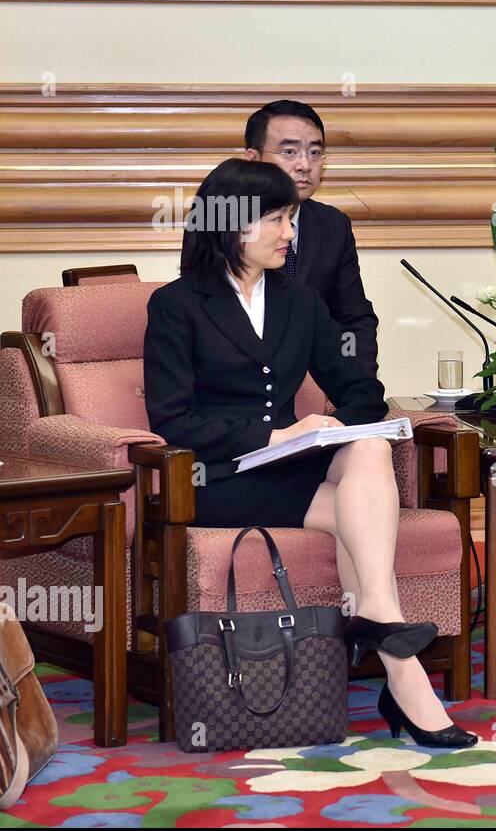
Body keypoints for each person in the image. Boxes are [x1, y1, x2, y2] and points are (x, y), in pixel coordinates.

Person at [144, 158, 475, 749]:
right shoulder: (177, 305)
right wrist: (277, 437)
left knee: (369, 449)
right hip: (216, 476)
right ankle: (403, 672)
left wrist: (342, 427)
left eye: (291, 219)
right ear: (229, 222)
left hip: (292, 463)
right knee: (359, 512)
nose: (289, 234)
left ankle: (378, 619)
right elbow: (172, 419)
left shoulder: (298, 299)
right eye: (276, 219)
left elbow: (356, 382)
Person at [244, 100, 380, 377]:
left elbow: (353, 320)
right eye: (289, 151)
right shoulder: (222, 225)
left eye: (315, 152)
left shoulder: (333, 225)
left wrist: (355, 384)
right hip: (248, 393)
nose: (304, 164)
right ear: (253, 160)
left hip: (324, 388)